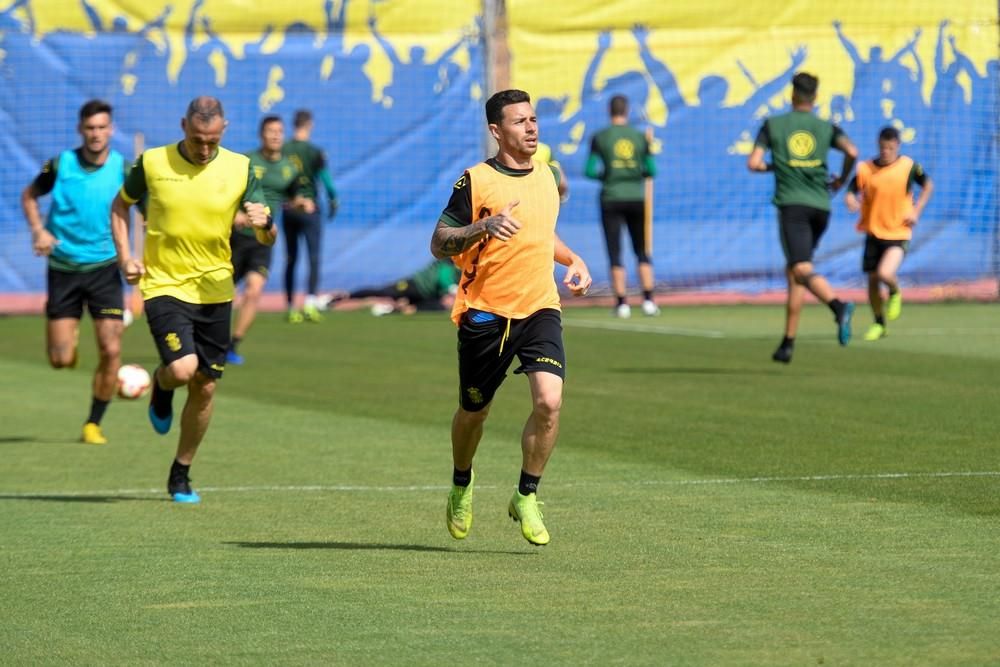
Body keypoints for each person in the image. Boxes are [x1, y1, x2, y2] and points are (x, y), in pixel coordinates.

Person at [430, 89, 592, 546]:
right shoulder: (475, 181)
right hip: (485, 313)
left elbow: (542, 235)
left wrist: (573, 259)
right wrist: (484, 225)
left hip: (540, 306)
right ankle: (462, 482)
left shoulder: (549, 175)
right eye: (519, 122)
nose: (531, 128)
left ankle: (527, 494)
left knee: (549, 402)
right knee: (474, 412)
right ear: (497, 131)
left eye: (534, 119)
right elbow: (439, 242)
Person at [110, 96, 273, 503]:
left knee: (205, 386)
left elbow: (266, 234)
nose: (204, 149)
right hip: (164, 284)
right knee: (184, 370)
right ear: (183, 125)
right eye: (198, 139)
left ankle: (181, 471)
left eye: (212, 141)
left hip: (216, 289)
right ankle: (164, 383)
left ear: (225, 129)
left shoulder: (240, 167)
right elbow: (120, 206)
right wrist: (126, 256)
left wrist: (265, 224)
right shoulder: (152, 162)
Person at [20, 99, 128, 446]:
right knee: (60, 360)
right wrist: (39, 230)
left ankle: (93, 423)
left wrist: (133, 256)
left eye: (102, 127)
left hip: (104, 268)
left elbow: (141, 209)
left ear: (111, 129)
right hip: (64, 268)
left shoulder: (122, 169)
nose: (96, 134)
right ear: (81, 130)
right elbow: (28, 196)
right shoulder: (60, 165)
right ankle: (67, 341)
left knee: (111, 349)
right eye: (90, 128)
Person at [748, 72, 859, 364]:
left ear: (792, 95)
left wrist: (776, 167)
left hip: (793, 206)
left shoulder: (773, 125)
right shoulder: (825, 127)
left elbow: (753, 163)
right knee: (797, 271)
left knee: (799, 270)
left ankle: (838, 306)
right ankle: (787, 342)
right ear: (816, 97)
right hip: (821, 206)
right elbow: (853, 151)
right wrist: (842, 181)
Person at [227, 115, 312, 365]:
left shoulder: (289, 167)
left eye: (279, 131)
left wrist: (301, 202)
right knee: (223, 295)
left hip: (263, 239)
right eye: (270, 131)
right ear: (261, 134)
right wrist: (236, 213)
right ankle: (211, 339)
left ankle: (233, 344)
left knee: (254, 290)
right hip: (233, 239)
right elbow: (226, 194)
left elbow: (291, 196)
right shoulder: (246, 162)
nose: (275, 135)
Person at [845, 127, 933, 341]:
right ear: (878, 145)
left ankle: (895, 291)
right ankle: (879, 323)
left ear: (897, 146)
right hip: (874, 232)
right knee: (873, 281)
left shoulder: (908, 167)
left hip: (898, 231)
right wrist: (849, 198)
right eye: (883, 147)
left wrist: (916, 209)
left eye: (890, 148)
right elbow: (851, 189)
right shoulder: (866, 168)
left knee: (885, 273)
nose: (886, 151)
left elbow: (928, 185)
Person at [585, 94, 658, 318]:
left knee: (615, 251)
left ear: (610, 110)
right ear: (627, 111)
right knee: (642, 250)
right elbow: (651, 170)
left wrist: (608, 175)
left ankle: (622, 303)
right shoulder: (639, 137)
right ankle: (648, 300)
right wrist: (641, 164)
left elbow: (589, 170)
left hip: (611, 197)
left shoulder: (600, 136)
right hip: (637, 196)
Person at [282, 109, 338, 323]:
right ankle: (310, 303)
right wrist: (333, 201)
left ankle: (289, 306)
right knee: (313, 257)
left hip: (288, 209)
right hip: (310, 209)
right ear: (309, 125)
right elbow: (327, 181)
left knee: (291, 258)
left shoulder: (284, 150)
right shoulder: (315, 152)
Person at [325, 258, 460, 316]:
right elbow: (444, 276)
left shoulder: (467, 265)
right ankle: (346, 296)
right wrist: (452, 288)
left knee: (442, 305)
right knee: (383, 291)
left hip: (428, 295)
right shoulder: (450, 258)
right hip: (414, 285)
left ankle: (394, 310)